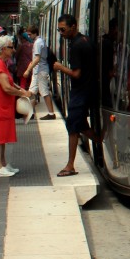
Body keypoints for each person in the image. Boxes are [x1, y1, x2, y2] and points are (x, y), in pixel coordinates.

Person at [52, 13, 99, 177]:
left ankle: (70, 165)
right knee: (79, 124)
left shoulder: (76, 46)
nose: (61, 33)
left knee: (73, 126)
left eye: (63, 29)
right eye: (59, 30)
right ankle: (101, 140)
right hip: (89, 89)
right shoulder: (87, 41)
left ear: (73, 27)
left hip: (80, 92)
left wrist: (60, 67)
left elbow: (76, 73)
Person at [0, 34, 29, 177]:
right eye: (10, 47)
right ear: (3, 49)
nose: (13, 50)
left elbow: (9, 82)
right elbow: (6, 87)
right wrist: (22, 94)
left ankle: (2, 164)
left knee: (1, 133)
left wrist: (21, 90)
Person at [24, 25, 57, 119]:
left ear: (35, 33)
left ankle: (51, 113)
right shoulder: (39, 41)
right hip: (37, 71)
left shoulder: (38, 43)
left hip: (41, 71)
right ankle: (30, 113)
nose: (29, 36)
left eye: (30, 34)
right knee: (31, 92)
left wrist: (28, 70)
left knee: (44, 92)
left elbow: (37, 59)